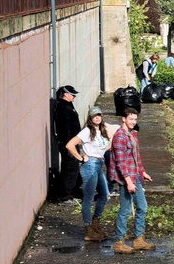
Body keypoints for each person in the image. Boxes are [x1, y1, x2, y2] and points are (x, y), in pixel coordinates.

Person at [109, 108, 156, 254]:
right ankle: (119, 242)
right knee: (125, 210)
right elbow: (120, 163)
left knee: (142, 207)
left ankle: (138, 240)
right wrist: (129, 182)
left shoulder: (132, 134)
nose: (133, 122)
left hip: (135, 175)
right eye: (131, 119)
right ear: (123, 119)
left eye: (135, 119)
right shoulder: (120, 137)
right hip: (125, 178)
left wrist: (142, 172)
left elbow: (136, 157)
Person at [65, 106, 113, 241]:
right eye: (94, 116)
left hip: (99, 165)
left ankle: (95, 223)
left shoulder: (102, 131)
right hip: (90, 165)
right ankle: (88, 230)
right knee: (88, 199)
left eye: (99, 115)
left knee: (104, 195)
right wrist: (81, 158)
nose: (97, 117)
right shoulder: (87, 131)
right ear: (90, 118)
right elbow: (70, 145)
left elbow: (105, 147)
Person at [53, 85, 82, 204]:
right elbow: (64, 128)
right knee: (69, 168)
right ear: (65, 94)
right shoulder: (63, 107)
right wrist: (69, 144)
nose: (74, 97)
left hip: (72, 142)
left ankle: (70, 192)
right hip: (69, 143)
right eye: (72, 95)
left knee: (72, 168)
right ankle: (65, 196)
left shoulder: (67, 105)